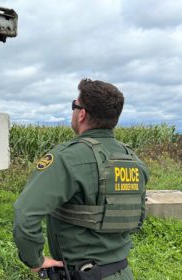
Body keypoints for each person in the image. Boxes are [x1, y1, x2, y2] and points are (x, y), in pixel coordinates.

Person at [13, 79, 149, 280]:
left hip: (82, 274)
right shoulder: (134, 161)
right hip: (123, 272)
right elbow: (138, 216)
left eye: (74, 106)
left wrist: (36, 260)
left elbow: (25, 214)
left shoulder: (66, 158)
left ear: (82, 113)